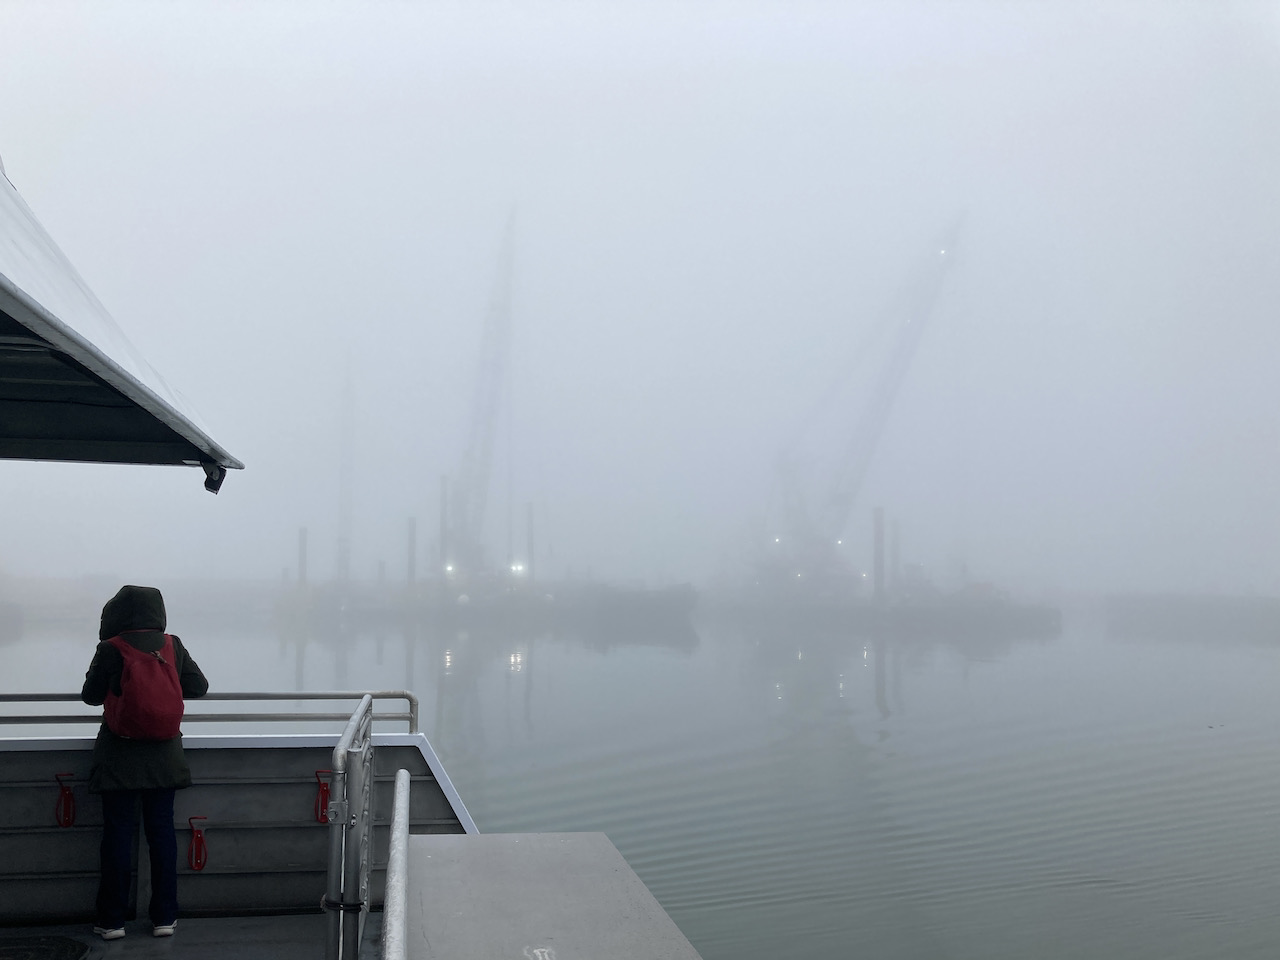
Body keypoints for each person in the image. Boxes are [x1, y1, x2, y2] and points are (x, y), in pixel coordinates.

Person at [80, 585, 208, 941]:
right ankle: (164, 917)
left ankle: (112, 921)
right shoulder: (171, 644)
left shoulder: (111, 647)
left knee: (117, 837)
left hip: (119, 757)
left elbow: (90, 696)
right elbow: (199, 687)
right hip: (165, 757)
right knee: (162, 835)